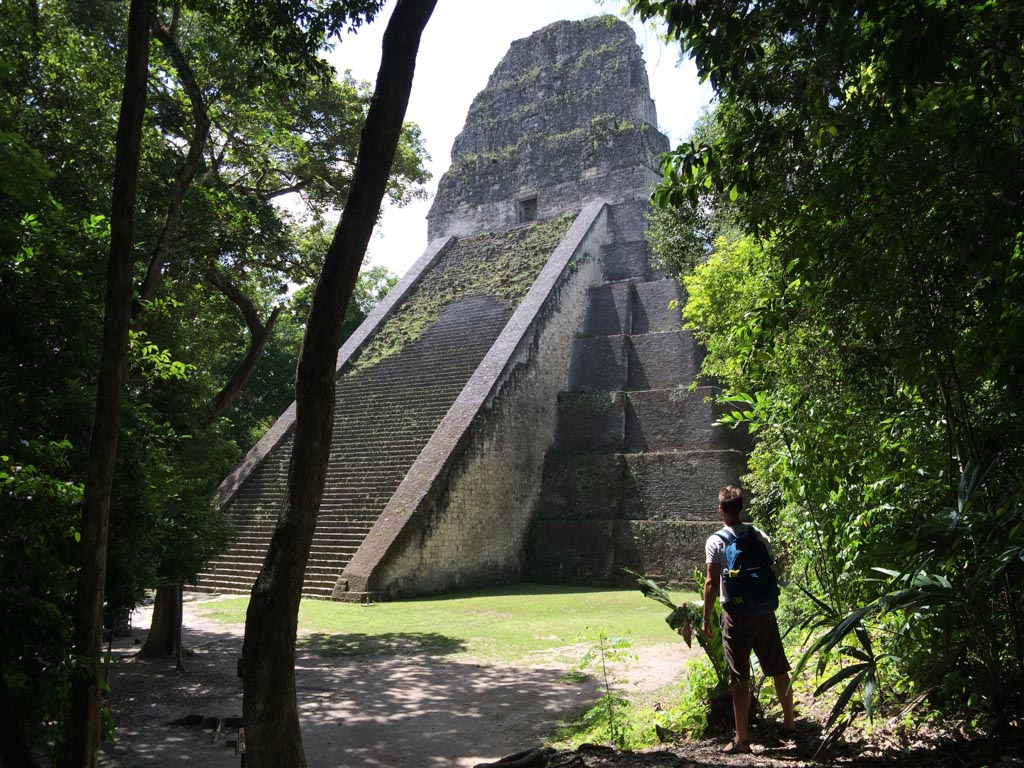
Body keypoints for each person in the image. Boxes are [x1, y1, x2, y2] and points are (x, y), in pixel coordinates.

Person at [702, 485, 796, 754]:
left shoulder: (716, 541)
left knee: (740, 677)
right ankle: (790, 725)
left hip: (735, 615)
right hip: (764, 611)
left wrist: (707, 618)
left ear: (720, 508)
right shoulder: (760, 535)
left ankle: (742, 739)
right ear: (741, 507)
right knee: (779, 669)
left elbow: (711, 582)